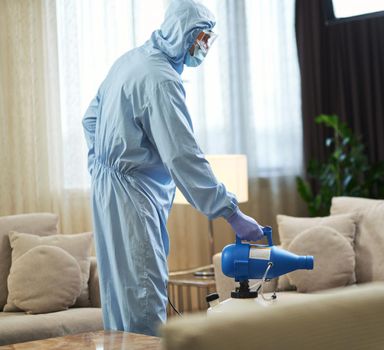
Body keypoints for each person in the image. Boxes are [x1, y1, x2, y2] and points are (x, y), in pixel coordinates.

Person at [82, 0, 263, 336]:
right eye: (203, 37)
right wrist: (231, 212)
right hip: (133, 195)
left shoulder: (131, 60)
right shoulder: (161, 80)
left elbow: (90, 118)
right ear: (186, 34)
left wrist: (102, 166)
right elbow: (182, 156)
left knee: (118, 294)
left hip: (108, 189)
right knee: (143, 294)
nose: (205, 46)